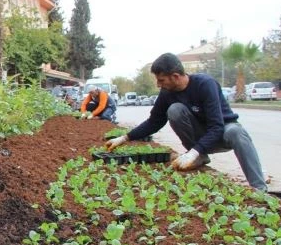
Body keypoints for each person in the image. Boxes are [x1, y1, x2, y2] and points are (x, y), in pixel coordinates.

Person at [106, 52, 267, 191]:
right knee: (175, 110)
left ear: (175, 76)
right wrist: (124, 138)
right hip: (201, 137)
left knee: (236, 131)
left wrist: (193, 152)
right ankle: (200, 156)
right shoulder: (167, 93)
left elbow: (217, 127)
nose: (158, 84)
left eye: (161, 80)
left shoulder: (205, 84)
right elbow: (154, 122)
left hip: (222, 133)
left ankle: (259, 189)